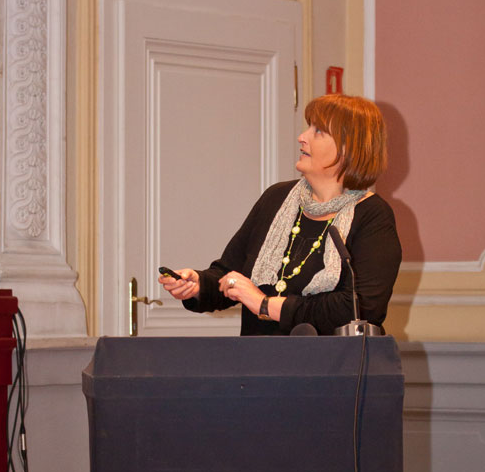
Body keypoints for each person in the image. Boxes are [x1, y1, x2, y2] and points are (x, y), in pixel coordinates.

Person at [158, 93, 401, 336]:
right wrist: (198, 285)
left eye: (318, 131)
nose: (302, 137)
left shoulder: (372, 216)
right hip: (259, 357)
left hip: (330, 360)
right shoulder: (276, 198)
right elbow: (230, 275)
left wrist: (265, 305)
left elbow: (361, 308)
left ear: (349, 148)